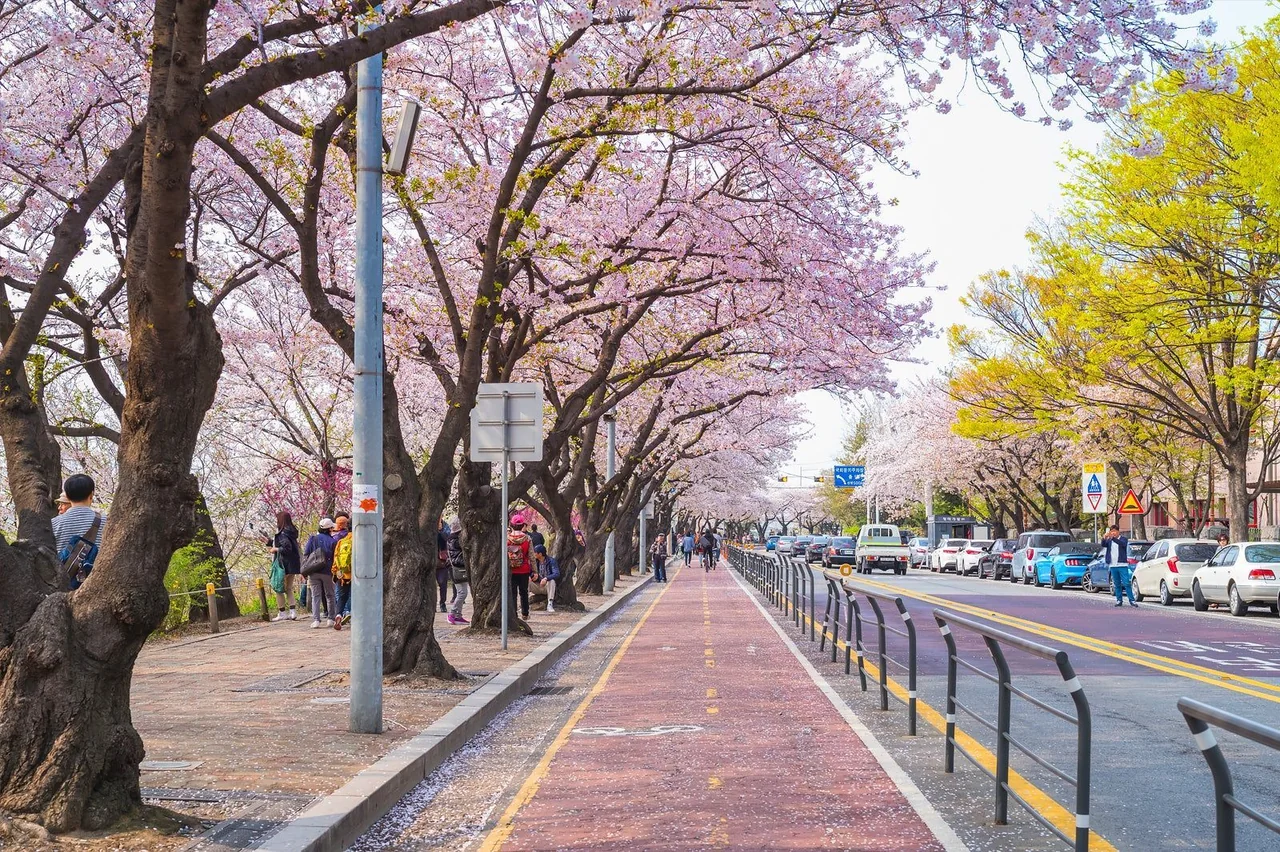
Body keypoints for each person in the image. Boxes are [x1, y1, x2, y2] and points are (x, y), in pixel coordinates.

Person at [54, 474, 106, 589]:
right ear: (91, 494)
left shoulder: (53, 523)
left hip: (62, 588)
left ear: (67, 495)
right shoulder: (107, 521)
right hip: (96, 588)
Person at [302, 518, 340, 629]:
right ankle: (330, 619)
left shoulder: (313, 539)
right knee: (330, 595)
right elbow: (335, 557)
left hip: (313, 571)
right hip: (327, 571)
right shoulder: (333, 541)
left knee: (316, 596)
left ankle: (316, 620)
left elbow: (306, 553)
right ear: (330, 529)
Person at [270, 511, 302, 621]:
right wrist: (270, 543)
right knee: (288, 588)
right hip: (293, 565)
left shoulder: (282, 533)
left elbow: (287, 548)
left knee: (278, 588)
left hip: (283, 566)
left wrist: (275, 549)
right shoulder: (291, 532)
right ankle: (293, 612)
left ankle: (282, 612)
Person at [1103, 524, 1136, 608]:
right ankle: (1119, 600)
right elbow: (1103, 544)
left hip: (1122, 564)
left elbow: (1122, 544)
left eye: (1114, 531)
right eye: (1111, 531)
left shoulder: (1123, 539)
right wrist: (1104, 537)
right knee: (1116, 584)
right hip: (1113, 565)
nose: (1113, 533)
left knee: (1126, 583)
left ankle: (1131, 600)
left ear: (1118, 531)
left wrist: (1113, 538)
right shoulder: (1110, 540)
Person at [508, 513, 534, 620]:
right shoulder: (527, 539)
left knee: (512, 592)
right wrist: (535, 571)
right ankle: (525, 613)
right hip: (524, 569)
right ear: (522, 525)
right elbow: (532, 556)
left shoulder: (507, 538)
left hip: (511, 570)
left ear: (511, 525)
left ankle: (513, 613)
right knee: (524, 592)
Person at [445, 518, 470, 625]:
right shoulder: (456, 540)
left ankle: (458, 616)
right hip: (457, 568)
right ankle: (452, 613)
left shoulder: (452, 538)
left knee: (463, 592)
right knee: (462, 593)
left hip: (457, 568)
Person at [332, 513, 352, 625]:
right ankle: (350, 612)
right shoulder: (360, 540)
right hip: (357, 575)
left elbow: (336, 560)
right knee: (352, 596)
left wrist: (338, 575)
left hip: (343, 574)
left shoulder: (341, 541)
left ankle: (338, 614)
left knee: (342, 596)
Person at [532, 544, 560, 612]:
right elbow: (529, 571)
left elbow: (556, 573)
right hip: (537, 585)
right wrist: (532, 576)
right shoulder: (534, 562)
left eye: (535, 552)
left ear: (540, 554)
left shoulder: (551, 561)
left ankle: (550, 604)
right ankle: (524, 604)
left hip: (546, 586)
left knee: (552, 581)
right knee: (526, 580)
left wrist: (546, 578)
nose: (534, 554)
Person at [436, 517, 451, 614]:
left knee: (442, 583)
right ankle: (432, 605)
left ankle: (442, 603)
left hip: (441, 560)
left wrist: (441, 530)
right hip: (429, 559)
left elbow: (448, 537)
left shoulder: (445, 525)